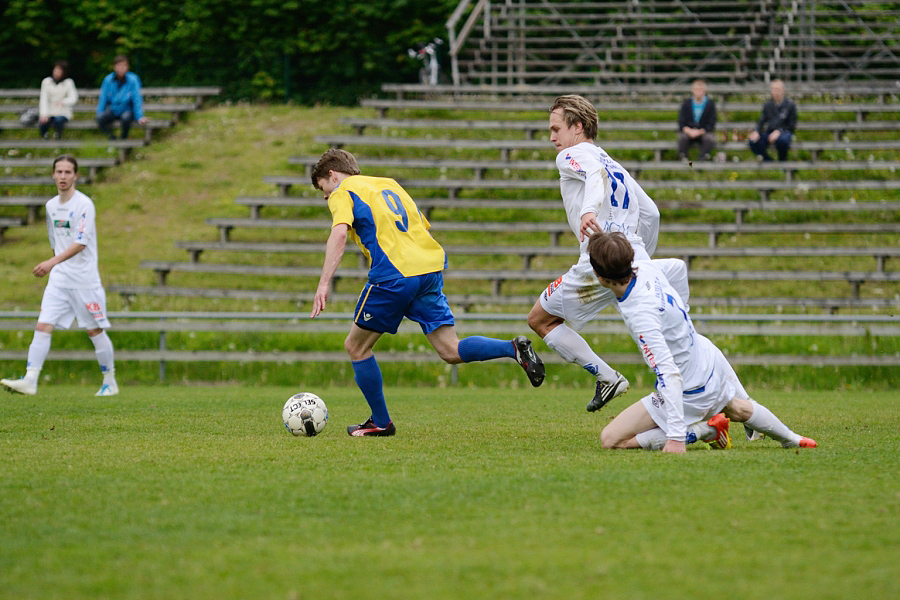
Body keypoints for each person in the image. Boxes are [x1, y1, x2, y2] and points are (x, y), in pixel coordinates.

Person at [309, 148, 544, 437]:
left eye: (323, 189)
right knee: (450, 349)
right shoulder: (389, 184)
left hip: (394, 275)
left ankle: (381, 422)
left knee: (356, 347)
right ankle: (512, 348)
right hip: (428, 269)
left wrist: (323, 283)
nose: (325, 196)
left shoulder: (344, 190)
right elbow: (420, 226)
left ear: (333, 175)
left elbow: (340, 233)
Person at [586, 231, 817, 453]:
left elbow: (669, 373)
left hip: (690, 390)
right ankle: (792, 439)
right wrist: (681, 315)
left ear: (601, 277)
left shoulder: (641, 314)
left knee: (612, 439)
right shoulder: (644, 269)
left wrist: (677, 438)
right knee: (736, 408)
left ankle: (704, 430)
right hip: (706, 357)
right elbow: (678, 267)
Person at [527, 94, 670, 414]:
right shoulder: (610, 161)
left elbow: (596, 179)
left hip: (597, 258)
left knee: (540, 319)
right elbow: (652, 213)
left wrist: (588, 211)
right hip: (633, 256)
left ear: (577, 127)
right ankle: (705, 391)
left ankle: (607, 377)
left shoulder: (570, 156)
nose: (552, 137)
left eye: (556, 129)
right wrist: (637, 253)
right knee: (661, 328)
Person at [0, 155, 118, 397]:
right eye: (59, 172)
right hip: (60, 279)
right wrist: (55, 267)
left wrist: (51, 263)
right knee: (43, 325)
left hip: (84, 280)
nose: (63, 176)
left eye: (68, 172)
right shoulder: (51, 206)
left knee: (94, 331)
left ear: (75, 176)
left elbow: (81, 243)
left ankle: (110, 381)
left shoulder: (84, 204)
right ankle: (30, 379)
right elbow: (55, 242)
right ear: (53, 175)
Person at [95, 55, 147, 140]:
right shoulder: (108, 80)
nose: (121, 68)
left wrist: (139, 116)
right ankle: (112, 138)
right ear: (115, 67)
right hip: (113, 109)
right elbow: (103, 99)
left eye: (124, 65)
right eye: (119, 66)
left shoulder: (133, 80)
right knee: (99, 118)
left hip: (127, 109)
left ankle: (124, 138)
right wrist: (99, 112)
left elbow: (137, 99)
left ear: (127, 67)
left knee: (126, 118)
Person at [748, 79, 798, 162]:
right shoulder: (768, 105)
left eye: (777, 89)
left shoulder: (790, 105)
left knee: (783, 141)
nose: (775, 92)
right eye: (773, 89)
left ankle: (782, 163)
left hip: (784, 132)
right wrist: (756, 131)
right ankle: (769, 161)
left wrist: (779, 131)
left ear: (783, 90)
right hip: (770, 133)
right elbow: (761, 120)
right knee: (753, 141)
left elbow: (791, 125)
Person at [676, 79, 717, 161]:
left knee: (709, 139)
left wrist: (699, 132)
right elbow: (681, 122)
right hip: (689, 131)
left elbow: (711, 123)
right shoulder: (686, 103)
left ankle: (702, 160)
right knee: (682, 138)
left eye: (700, 90)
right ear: (692, 91)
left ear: (705, 91)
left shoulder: (710, 104)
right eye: (696, 90)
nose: (698, 92)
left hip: (703, 131)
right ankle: (686, 161)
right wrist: (689, 131)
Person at [38, 60, 79, 140]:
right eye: (56, 70)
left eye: (59, 70)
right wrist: (44, 114)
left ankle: (58, 138)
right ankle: (44, 138)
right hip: (49, 111)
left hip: (63, 111)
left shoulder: (69, 83)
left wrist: (63, 102)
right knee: (43, 122)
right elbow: (44, 99)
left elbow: (74, 98)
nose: (57, 72)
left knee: (59, 121)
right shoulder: (46, 82)